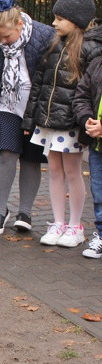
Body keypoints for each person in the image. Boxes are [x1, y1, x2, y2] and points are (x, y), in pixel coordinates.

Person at [25, 0, 99, 247]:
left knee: (72, 171)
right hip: (48, 120)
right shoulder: (54, 45)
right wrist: (31, 117)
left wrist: (82, 120)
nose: (54, 23)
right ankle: (57, 222)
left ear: (77, 21)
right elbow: (39, 83)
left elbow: (89, 91)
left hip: (70, 121)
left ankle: (76, 225)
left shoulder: (90, 49)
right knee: (54, 170)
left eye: (60, 18)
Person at [0, 0, 54, 235]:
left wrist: (42, 112)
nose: (3, 41)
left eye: (7, 36)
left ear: (20, 24)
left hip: (33, 105)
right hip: (7, 104)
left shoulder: (44, 36)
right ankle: (0, 210)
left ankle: (25, 212)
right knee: (6, 153)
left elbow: (50, 77)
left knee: (31, 158)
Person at [73, 53, 102, 258]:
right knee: (99, 192)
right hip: (97, 144)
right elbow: (81, 95)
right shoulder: (97, 62)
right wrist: (86, 120)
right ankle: (101, 234)